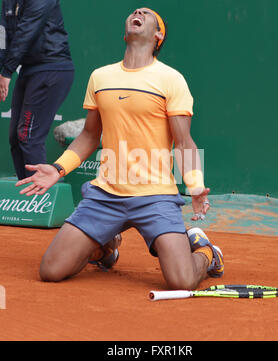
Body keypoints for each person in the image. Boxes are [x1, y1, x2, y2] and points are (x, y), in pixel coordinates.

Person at [16, 8, 224, 290]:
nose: (138, 11)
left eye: (147, 13)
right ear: (125, 33)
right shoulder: (101, 77)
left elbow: (184, 142)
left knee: (182, 280)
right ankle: (105, 247)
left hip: (155, 197)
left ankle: (206, 252)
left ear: (158, 35)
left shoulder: (170, 79)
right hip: (105, 195)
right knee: (51, 270)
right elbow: (90, 135)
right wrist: (57, 168)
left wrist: (195, 185)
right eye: (135, 12)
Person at [0, 0, 74, 179]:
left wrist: (7, 71)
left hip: (52, 68)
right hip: (29, 70)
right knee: (15, 138)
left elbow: (27, 30)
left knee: (28, 137)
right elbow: (3, 35)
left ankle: (38, 199)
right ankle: (25, 198)